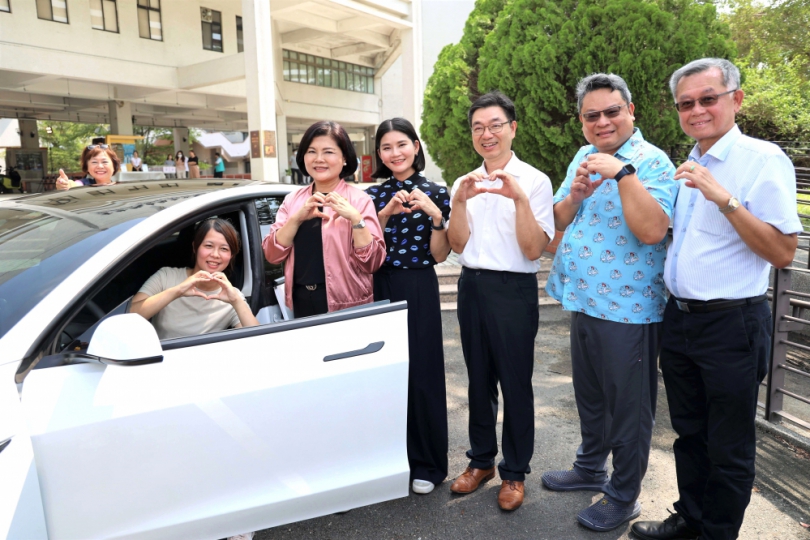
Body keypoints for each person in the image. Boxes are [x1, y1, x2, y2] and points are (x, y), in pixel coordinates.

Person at [631, 58, 801, 540]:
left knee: (728, 445)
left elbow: (782, 250)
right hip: (681, 320)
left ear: (736, 99)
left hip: (732, 323)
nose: (697, 110)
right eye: (687, 103)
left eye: (709, 99)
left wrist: (724, 199)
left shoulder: (761, 159)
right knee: (689, 433)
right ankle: (691, 518)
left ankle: (717, 533)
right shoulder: (692, 161)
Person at [542, 73, 679, 532]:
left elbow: (652, 230)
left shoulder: (652, 162)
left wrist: (622, 175)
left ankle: (623, 495)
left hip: (629, 308)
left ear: (631, 111)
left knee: (629, 408)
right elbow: (559, 216)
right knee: (592, 396)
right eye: (591, 115)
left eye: (612, 111)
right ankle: (589, 467)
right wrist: (577, 193)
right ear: (582, 121)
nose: (602, 122)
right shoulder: (584, 156)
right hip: (583, 299)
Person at [447, 91, 554, 511]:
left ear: (512, 128)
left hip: (514, 289)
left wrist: (519, 199)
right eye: (478, 127)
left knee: (515, 383)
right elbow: (457, 243)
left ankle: (514, 473)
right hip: (472, 285)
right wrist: (459, 201)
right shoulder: (463, 182)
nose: (486, 134)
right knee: (478, 381)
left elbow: (533, 250)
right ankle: (480, 462)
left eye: (494, 125)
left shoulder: (535, 180)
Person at [366, 118, 452, 495]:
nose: (395, 153)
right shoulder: (369, 195)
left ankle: (428, 464)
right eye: (386, 147)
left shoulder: (437, 191)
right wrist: (383, 214)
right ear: (379, 154)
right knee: (380, 373)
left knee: (423, 373)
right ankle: (386, 460)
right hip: (375, 285)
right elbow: (361, 249)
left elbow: (440, 254)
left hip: (417, 283)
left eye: (401, 144)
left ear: (416, 146)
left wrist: (435, 216)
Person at [263, 121, 385, 317]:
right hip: (300, 301)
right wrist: (296, 219)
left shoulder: (359, 200)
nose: (318, 159)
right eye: (311, 151)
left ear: (344, 158)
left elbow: (373, 263)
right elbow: (272, 255)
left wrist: (355, 218)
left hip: (347, 304)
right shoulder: (292, 200)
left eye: (328, 152)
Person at [130, 218, 259, 340]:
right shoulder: (166, 276)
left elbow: (258, 340)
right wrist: (177, 291)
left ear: (231, 256)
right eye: (208, 246)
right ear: (195, 247)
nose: (215, 255)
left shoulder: (231, 295)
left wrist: (236, 301)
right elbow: (130, 315)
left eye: (224, 249)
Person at [55, 144, 120, 190]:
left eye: (104, 162)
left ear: (114, 165)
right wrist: (65, 184)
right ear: (87, 167)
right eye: (94, 162)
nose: (100, 166)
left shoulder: (122, 187)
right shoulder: (84, 184)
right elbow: (75, 185)